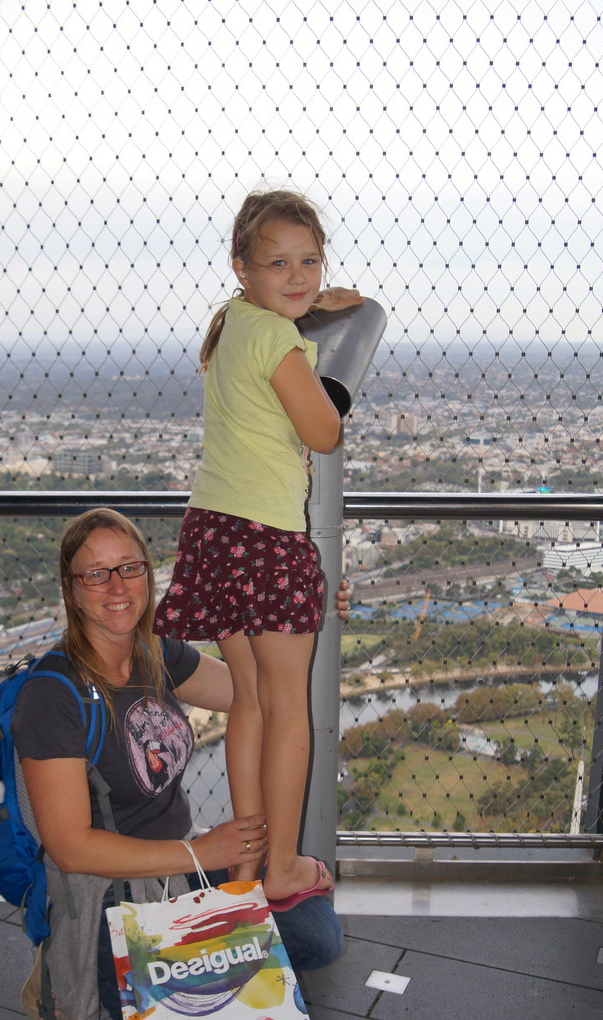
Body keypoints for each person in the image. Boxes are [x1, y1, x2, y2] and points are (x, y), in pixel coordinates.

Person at [12, 506, 348, 1020]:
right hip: (108, 895)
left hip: (183, 873)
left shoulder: (157, 655)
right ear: (71, 589)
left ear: (149, 574)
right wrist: (203, 853)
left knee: (319, 938)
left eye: (130, 568)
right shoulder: (51, 695)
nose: (118, 588)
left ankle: (193, 981)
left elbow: (260, 692)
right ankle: (68, 976)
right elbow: (71, 846)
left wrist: (296, 623)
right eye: (97, 575)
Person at [154, 188, 363, 911]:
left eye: (309, 260)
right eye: (278, 262)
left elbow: (278, 312)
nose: (298, 274)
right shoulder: (278, 340)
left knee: (246, 703)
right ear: (240, 266)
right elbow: (322, 431)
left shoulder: (233, 326)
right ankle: (280, 866)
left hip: (213, 530)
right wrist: (319, 358)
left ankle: (244, 863)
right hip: (267, 537)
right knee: (287, 709)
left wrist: (304, 303)